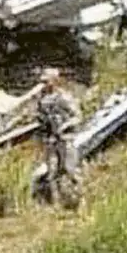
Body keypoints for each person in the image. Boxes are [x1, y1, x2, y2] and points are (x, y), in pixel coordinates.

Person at [34, 68, 83, 209]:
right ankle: (57, 204)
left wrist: (65, 126)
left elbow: (78, 116)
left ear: (54, 81)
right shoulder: (42, 99)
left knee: (70, 170)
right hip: (50, 140)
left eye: (46, 81)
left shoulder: (64, 97)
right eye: (42, 81)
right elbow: (40, 119)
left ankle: (79, 202)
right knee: (52, 172)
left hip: (65, 139)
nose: (43, 84)